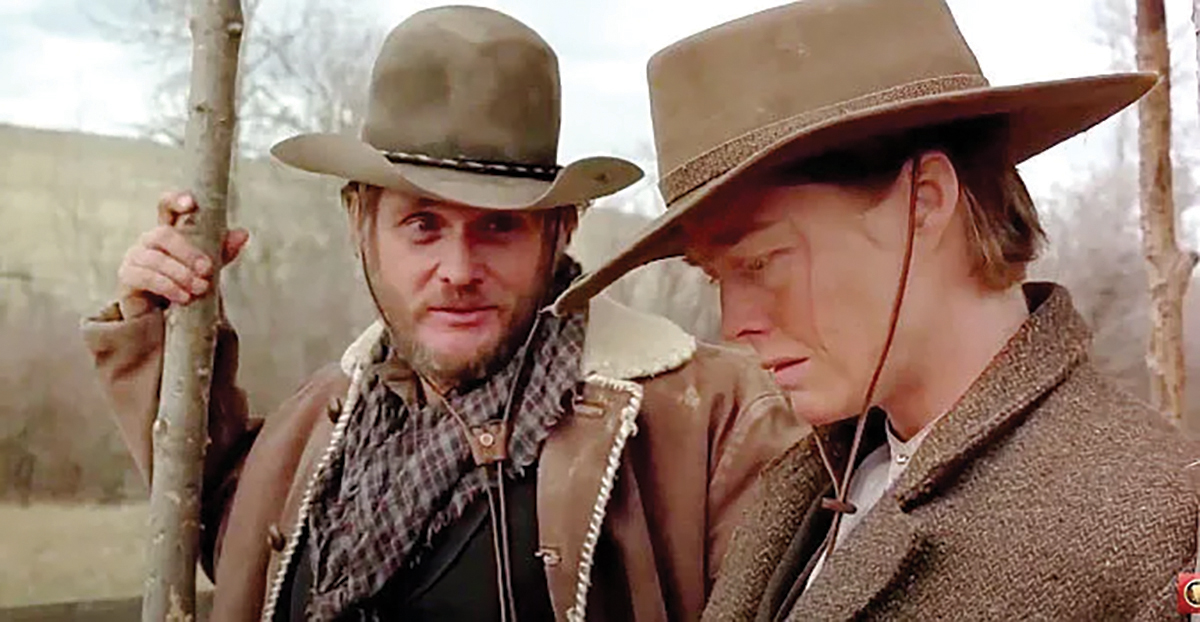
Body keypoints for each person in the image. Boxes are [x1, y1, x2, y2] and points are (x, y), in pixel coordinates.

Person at [82, 6, 801, 621]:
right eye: (423, 225)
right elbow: (233, 538)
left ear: (561, 230)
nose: (458, 270)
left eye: (499, 226)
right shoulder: (327, 420)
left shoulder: (708, 423)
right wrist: (164, 329)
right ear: (361, 224)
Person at [554, 0, 1200, 618]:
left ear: (924, 201)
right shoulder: (816, 479)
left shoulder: (1152, 529)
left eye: (761, 262)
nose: (735, 324)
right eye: (717, 277)